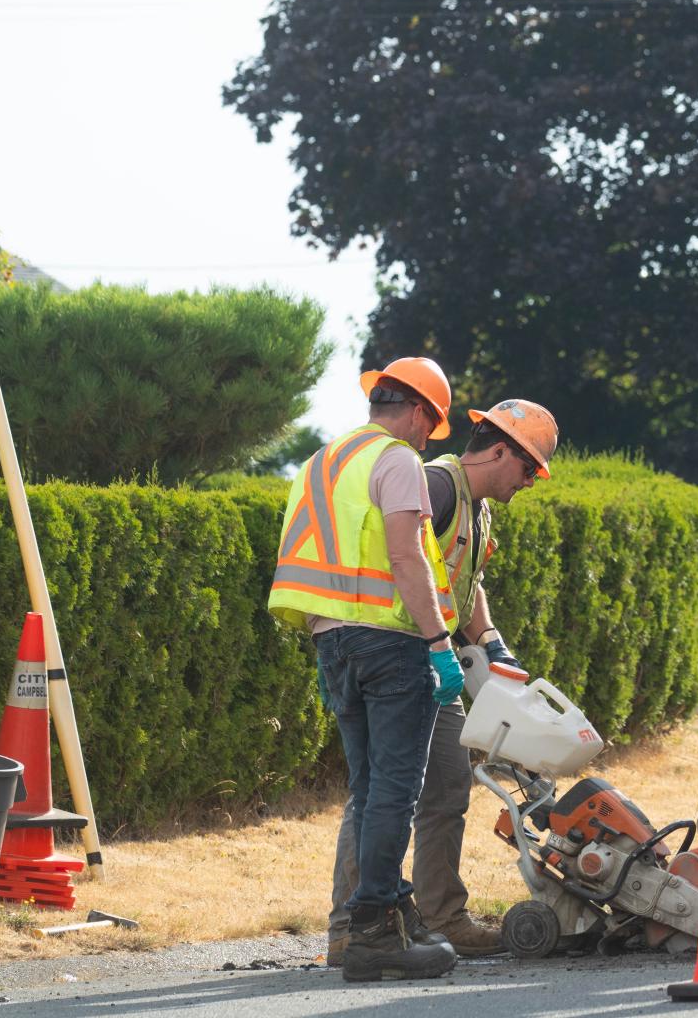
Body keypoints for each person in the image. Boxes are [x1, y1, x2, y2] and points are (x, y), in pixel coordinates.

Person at [324, 398, 559, 963]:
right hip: (401, 649)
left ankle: (440, 916)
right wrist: (435, 648)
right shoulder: (436, 485)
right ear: (500, 451)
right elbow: (405, 559)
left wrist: (491, 642)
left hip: (427, 655)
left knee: (448, 788)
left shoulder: (475, 509)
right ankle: (350, 927)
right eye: (529, 470)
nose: (530, 483)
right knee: (382, 793)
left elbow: (462, 578)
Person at [269, 356, 463, 983]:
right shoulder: (398, 460)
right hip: (390, 644)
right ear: (416, 412)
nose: (424, 442)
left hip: (333, 644)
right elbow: (407, 558)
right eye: (427, 429)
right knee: (396, 791)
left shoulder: (321, 462)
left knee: (367, 788)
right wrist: (439, 643)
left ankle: (372, 917)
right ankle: (375, 927)